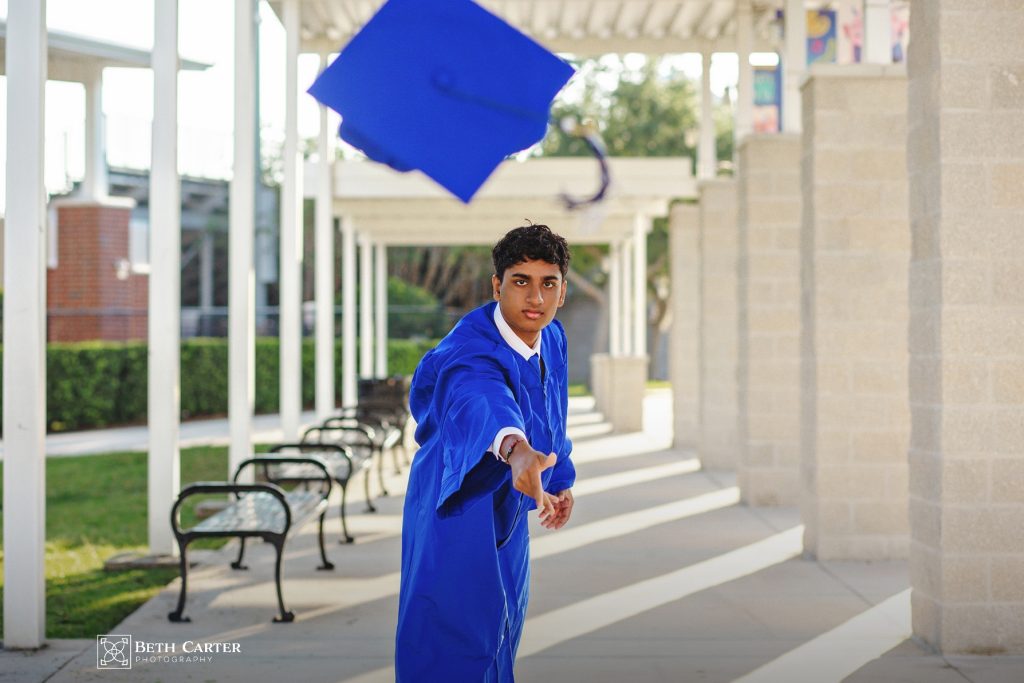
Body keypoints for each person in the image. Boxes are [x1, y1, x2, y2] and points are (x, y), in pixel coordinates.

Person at [395, 224, 576, 682]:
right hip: (457, 501)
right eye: (520, 281)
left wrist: (558, 479)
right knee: (451, 637)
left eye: (547, 283)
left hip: (512, 501)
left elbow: (552, 408)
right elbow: (482, 400)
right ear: (497, 286)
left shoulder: (551, 338)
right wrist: (516, 451)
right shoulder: (469, 350)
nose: (535, 298)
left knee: (503, 627)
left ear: (562, 291)